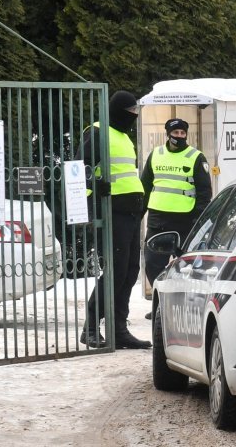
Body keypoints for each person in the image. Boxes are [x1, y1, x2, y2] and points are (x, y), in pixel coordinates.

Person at [78, 90, 151, 349]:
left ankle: (118, 329)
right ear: (117, 111)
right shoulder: (97, 132)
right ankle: (91, 327)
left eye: (135, 114)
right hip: (110, 213)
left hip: (130, 214)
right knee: (116, 272)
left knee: (130, 271)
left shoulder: (122, 136)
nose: (132, 117)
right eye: (129, 113)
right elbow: (79, 170)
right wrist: (96, 188)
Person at [141, 118, 212, 316]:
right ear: (168, 133)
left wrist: (199, 220)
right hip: (158, 219)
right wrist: (140, 211)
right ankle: (162, 304)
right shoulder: (156, 154)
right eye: (176, 133)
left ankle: (183, 304)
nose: (179, 136)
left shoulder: (196, 157)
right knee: (153, 263)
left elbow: (205, 192)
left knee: (186, 265)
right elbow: (145, 185)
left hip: (185, 220)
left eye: (182, 133)